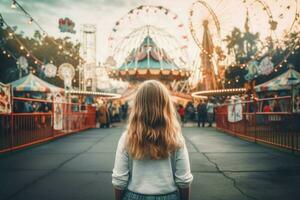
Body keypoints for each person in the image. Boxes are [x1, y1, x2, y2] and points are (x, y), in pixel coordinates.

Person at [112, 80, 193, 200]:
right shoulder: (175, 137)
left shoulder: (127, 137)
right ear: (165, 105)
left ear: (138, 105)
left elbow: (119, 180)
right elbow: (184, 179)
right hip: (168, 195)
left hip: (134, 194)